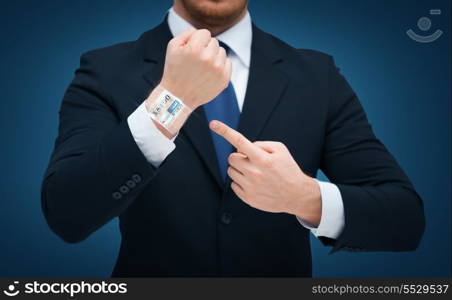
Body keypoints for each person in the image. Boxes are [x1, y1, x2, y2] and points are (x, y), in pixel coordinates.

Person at [41, 0, 425, 277]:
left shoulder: (316, 74)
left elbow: (404, 219)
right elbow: (67, 215)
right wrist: (172, 100)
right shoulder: (104, 69)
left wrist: (304, 197)